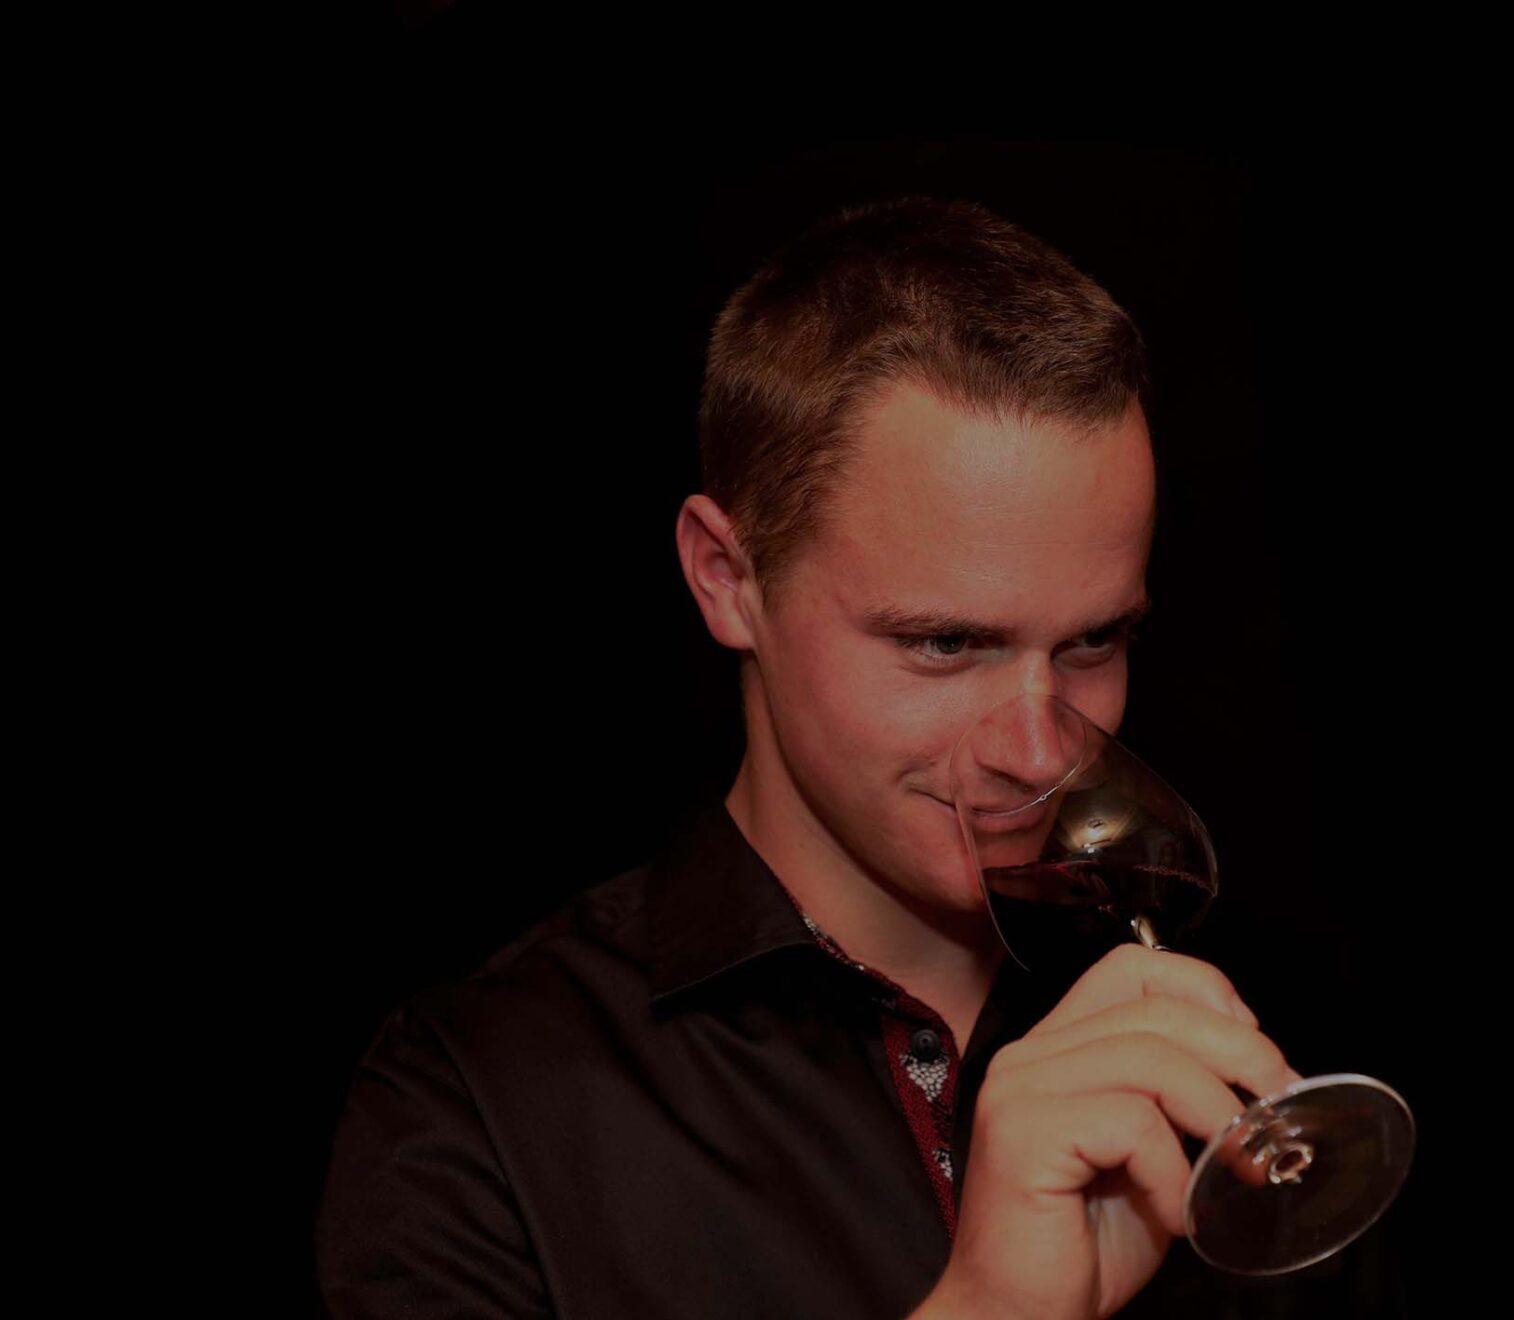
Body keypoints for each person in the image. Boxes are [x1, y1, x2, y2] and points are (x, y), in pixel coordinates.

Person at [316, 196, 1379, 1317]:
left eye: (1094, 642)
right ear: (728, 578)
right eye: (944, 644)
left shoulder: (1251, 1032)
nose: (1039, 753)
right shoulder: (473, 1109)